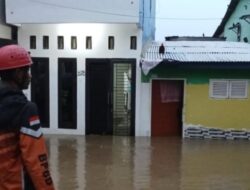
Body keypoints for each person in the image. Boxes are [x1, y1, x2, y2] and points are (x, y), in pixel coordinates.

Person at [0, 44, 55, 190]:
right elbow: (37, 161)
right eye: (27, 70)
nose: (30, 76)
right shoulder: (26, 109)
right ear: (18, 73)